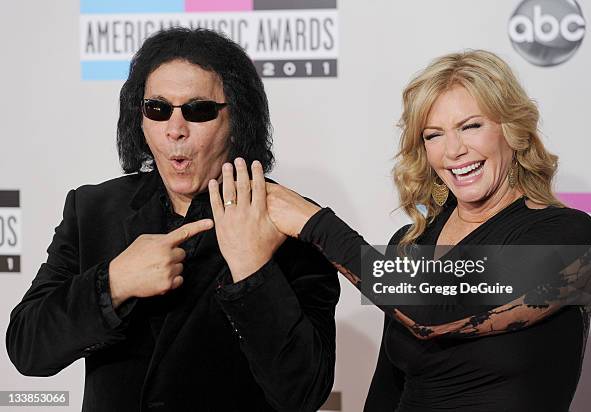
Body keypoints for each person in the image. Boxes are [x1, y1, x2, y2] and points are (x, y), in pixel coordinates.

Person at [220, 50, 591, 411]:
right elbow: (388, 386)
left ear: (511, 130)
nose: (453, 150)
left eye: (470, 126)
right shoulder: (413, 241)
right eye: (433, 135)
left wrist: (317, 224)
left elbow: (434, 313)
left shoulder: (566, 235)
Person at [6, 28, 340, 412]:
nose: (175, 130)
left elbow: (303, 393)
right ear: (141, 119)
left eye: (198, 111)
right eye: (158, 109)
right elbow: (27, 348)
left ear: (238, 119)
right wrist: (113, 283)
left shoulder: (287, 218)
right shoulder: (92, 209)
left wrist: (252, 271)